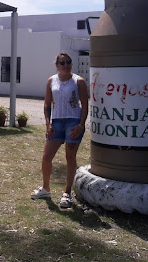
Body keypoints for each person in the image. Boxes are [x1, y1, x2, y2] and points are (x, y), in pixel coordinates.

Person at [31, 52, 88, 208]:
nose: (66, 65)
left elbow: (84, 104)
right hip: (56, 123)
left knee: (70, 157)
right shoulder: (51, 81)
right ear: (57, 65)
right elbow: (47, 104)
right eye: (62, 63)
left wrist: (81, 125)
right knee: (46, 156)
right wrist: (48, 124)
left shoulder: (79, 81)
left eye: (68, 62)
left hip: (73, 122)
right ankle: (45, 188)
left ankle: (67, 193)